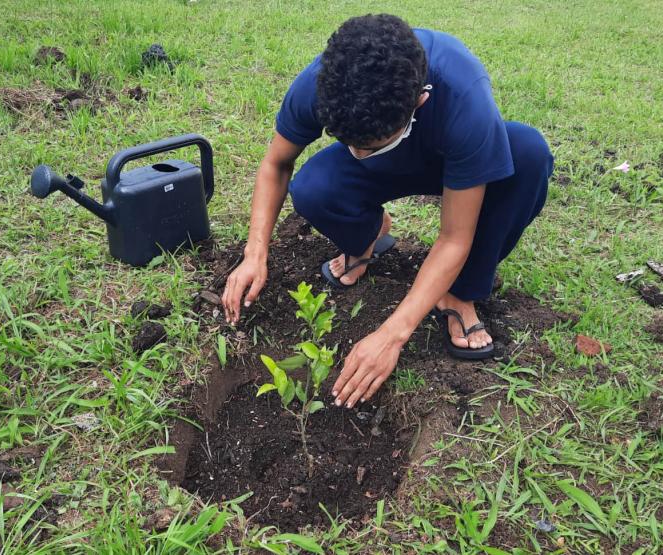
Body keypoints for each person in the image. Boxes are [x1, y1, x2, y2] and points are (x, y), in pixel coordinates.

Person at [220, 14, 553, 410]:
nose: (359, 154)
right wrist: (255, 253)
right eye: (350, 144)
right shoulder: (323, 84)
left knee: (529, 155)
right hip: (390, 155)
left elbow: (454, 237)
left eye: (371, 145)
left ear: (419, 101)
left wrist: (392, 334)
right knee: (314, 187)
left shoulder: (464, 99)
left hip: (454, 165)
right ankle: (368, 237)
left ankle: (460, 292)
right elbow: (276, 164)